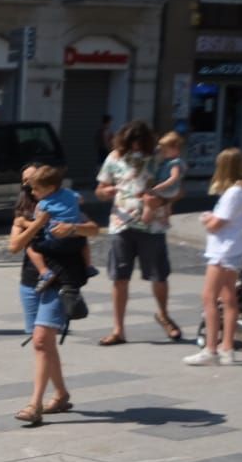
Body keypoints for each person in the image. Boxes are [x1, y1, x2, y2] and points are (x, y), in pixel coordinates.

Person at [9, 166, 101, 426]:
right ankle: (61, 394)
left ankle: (34, 404)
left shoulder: (62, 203)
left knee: (40, 341)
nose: (29, 187)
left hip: (60, 281)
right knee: (44, 345)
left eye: (34, 182)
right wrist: (38, 223)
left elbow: (93, 229)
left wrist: (71, 228)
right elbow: (15, 246)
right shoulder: (26, 212)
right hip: (30, 283)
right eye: (26, 182)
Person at [95, 120, 178, 345]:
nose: (136, 147)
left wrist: (162, 199)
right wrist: (107, 191)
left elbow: (177, 189)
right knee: (120, 278)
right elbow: (100, 191)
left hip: (154, 226)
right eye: (132, 143)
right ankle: (118, 329)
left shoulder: (159, 157)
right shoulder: (114, 158)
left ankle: (163, 315)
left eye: (141, 143)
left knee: (159, 275)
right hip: (121, 225)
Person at [185, 148, 242, 367]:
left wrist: (206, 219)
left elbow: (216, 224)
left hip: (223, 250)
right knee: (229, 298)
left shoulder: (232, 193)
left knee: (209, 298)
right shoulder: (241, 192)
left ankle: (211, 348)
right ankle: (227, 348)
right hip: (233, 247)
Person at [24, 165, 93, 291]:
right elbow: (80, 200)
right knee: (84, 241)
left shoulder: (43, 204)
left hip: (57, 240)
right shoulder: (69, 193)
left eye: (36, 189)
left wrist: (23, 223)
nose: (32, 192)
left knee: (31, 246)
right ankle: (88, 266)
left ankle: (45, 272)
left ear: (50, 188)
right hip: (76, 240)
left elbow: (37, 222)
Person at [144, 131, 185, 230]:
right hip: (171, 190)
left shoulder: (175, 163)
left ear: (176, 149)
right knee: (167, 205)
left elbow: (173, 177)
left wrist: (160, 186)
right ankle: (165, 220)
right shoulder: (168, 160)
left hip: (168, 188)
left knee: (151, 198)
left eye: (166, 151)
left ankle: (147, 217)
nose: (163, 153)